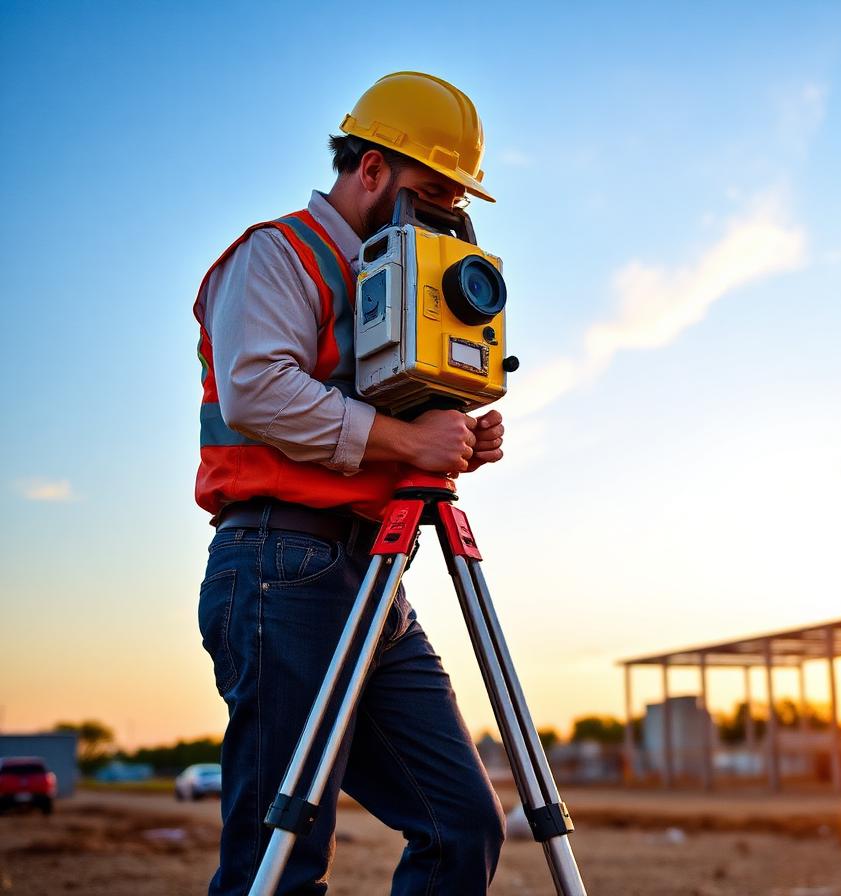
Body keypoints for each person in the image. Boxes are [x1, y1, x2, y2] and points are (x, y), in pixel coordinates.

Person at [193, 72, 507, 895]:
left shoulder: (404, 281)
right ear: (371, 170)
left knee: (463, 825)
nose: (443, 216)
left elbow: (396, 429)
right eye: (429, 194)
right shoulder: (278, 254)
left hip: (373, 578)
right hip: (277, 565)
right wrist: (408, 437)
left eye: (452, 201)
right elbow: (257, 387)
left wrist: (458, 437)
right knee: (280, 860)